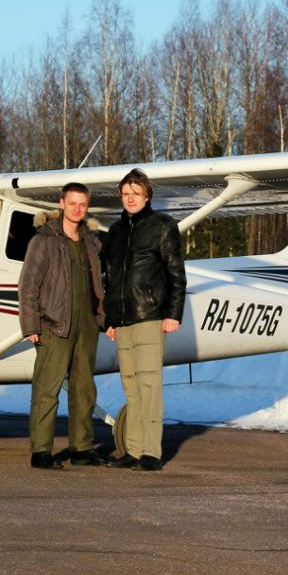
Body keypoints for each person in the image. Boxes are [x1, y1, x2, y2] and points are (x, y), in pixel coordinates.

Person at [102, 168, 187, 471]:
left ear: (147, 196)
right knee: (131, 386)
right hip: (123, 321)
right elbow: (110, 278)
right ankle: (133, 450)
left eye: (135, 193)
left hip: (150, 317)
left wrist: (172, 314)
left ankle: (151, 450)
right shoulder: (115, 232)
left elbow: (177, 275)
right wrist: (110, 319)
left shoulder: (163, 227)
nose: (130, 199)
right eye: (125, 194)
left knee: (150, 385)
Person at [18, 182, 107, 470]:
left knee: (84, 388)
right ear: (61, 203)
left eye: (83, 204)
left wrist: (102, 318)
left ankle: (82, 447)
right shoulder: (43, 241)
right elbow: (28, 285)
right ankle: (41, 451)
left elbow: (100, 284)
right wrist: (30, 324)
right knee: (47, 389)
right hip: (54, 325)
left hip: (87, 325)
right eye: (73, 203)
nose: (78, 209)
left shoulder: (91, 242)